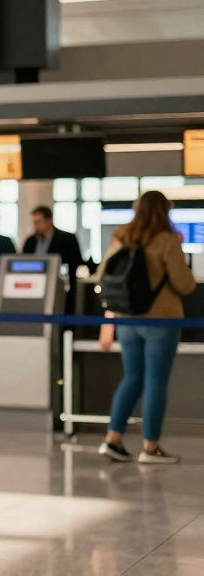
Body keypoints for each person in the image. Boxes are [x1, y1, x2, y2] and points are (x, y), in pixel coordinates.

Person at [96, 191, 197, 465]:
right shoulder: (167, 240)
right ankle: (150, 447)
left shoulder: (122, 236)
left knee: (131, 378)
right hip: (161, 320)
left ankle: (113, 439)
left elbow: (103, 273)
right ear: (166, 211)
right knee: (155, 381)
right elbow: (185, 284)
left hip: (126, 318)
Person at [23, 205, 85, 281]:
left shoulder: (67, 239)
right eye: (34, 222)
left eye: (38, 222)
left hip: (60, 284)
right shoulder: (30, 241)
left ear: (49, 221)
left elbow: (75, 264)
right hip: (34, 283)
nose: (35, 225)